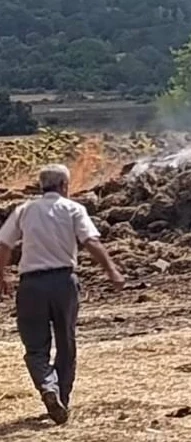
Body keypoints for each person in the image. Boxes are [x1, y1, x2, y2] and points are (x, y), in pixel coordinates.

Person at [0, 164, 123, 425]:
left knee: (35, 347)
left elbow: (4, 244)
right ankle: (62, 398)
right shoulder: (74, 209)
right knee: (66, 342)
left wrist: (2, 276)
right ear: (65, 186)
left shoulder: (24, 210)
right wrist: (111, 271)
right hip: (64, 283)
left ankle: (48, 387)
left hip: (31, 285)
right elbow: (91, 241)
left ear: (40, 186)